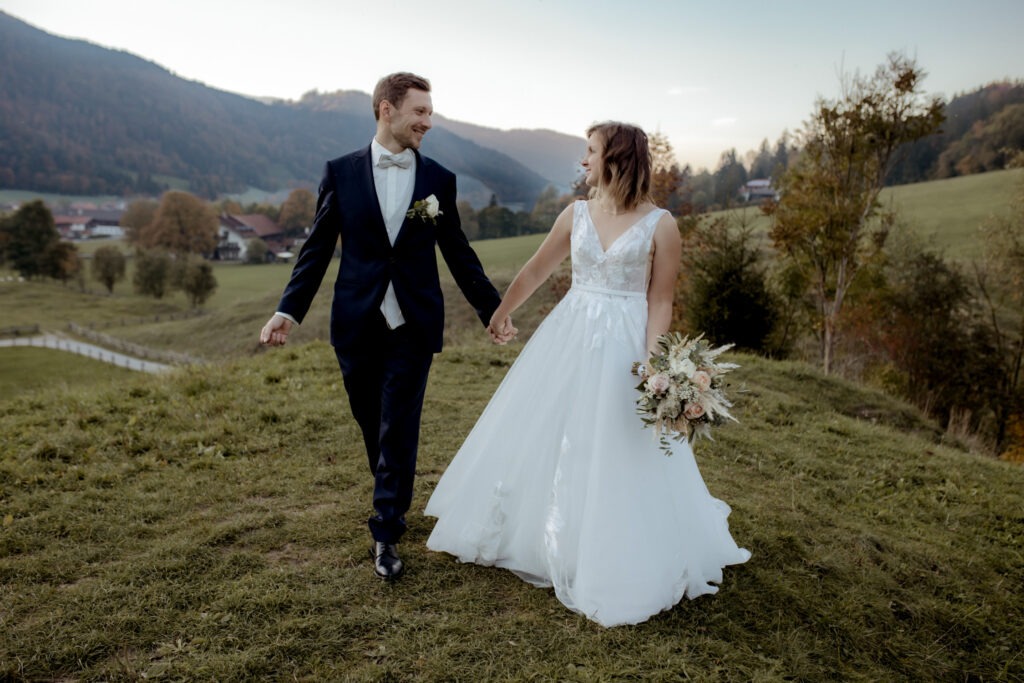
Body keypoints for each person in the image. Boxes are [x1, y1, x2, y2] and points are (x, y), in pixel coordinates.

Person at [424, 122, 750, 627]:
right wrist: (502, 311)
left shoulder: (661, 225)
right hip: (570, 333)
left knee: (617, 440)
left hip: (626, 342)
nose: (584, 160)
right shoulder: (574, 214)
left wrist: (654, 365)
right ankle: (538, 532)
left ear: (616, 160)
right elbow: (537, 269)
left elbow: (661, 300)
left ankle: (608, 544)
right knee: (549, 427)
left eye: (591, 151)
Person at [259, 72, 513, 581]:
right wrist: (288, 309)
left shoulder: (439, 179)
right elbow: (316, 248)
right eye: (420, 111)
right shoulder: (340, 172)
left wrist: (492, 309)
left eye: (430, 112)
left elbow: (459, 253)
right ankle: (390, 485)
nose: (428, 122)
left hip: (414, 321)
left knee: (398, 422)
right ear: (386, 110)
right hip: (356, 320)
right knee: (370, 418)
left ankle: (386, 529)